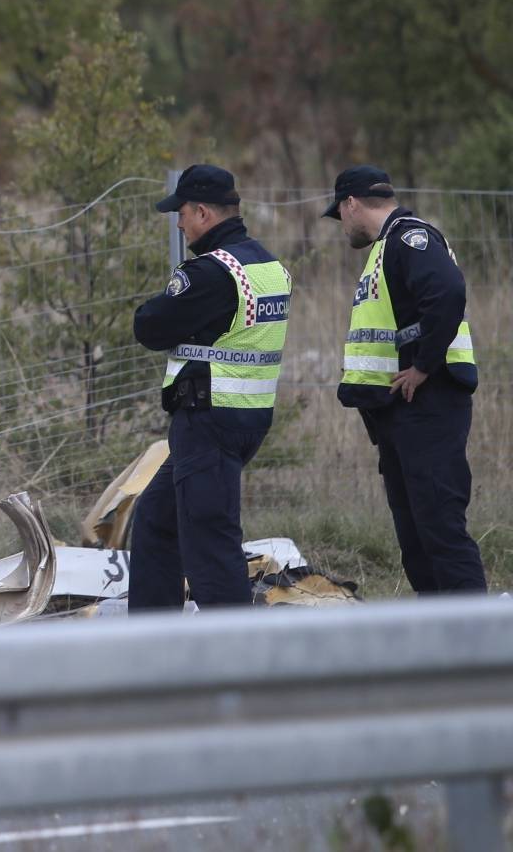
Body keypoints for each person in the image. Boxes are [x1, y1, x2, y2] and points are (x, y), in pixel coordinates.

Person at [128, 164, 292, 610]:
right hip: (245, 418)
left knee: (209, 546)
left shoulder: (211, 273)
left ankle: (233, 659)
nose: (178, 223)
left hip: (208, 420)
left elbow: (150, 326)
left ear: (202, 212)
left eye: (180, 213)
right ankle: (153, 646)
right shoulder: (266, 264)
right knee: (156, 521)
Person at [325, 165, 485, 594]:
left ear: (351, 204)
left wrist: (424, 365)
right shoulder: (388, 246)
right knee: (417, 539)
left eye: (339, 213)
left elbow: (448, 292)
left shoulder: (409, 238)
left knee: (441, 532)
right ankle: (437, 647)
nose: (342, 225)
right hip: (402, 413)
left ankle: (478, 646)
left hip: (429, 405)